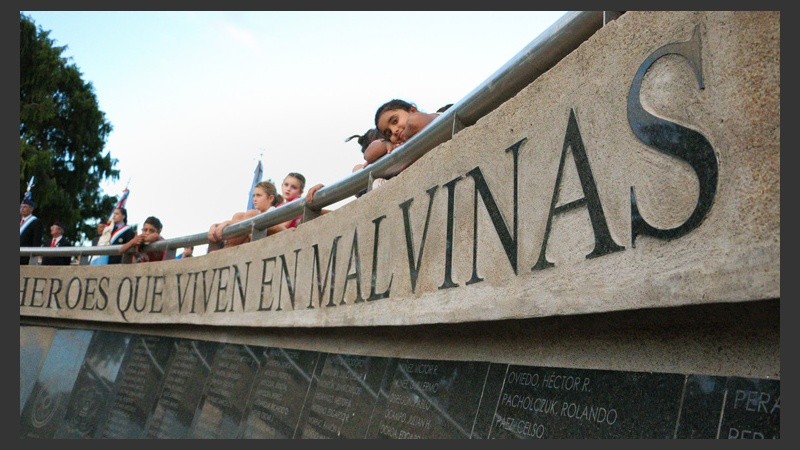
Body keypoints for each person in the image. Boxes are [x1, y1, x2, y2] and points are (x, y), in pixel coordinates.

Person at [208, 180, 287, 251]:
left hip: (267, 247)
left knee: (251, 214)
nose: (255, 199)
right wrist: (216, 225)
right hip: (249, 246)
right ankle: (226, 248)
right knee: (238, 215)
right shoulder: (256, 213)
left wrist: (227, 223)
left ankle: (226, 250)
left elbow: (281, 229)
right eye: (254, 195)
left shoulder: (274, 212)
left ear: (270, 198)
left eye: (258, 195)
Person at [20, 197, 44, 265]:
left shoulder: (36, 222)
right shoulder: (20, 221)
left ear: (31, 209)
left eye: (25, 207)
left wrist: (33, 258)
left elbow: (36, 242)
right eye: (21, 206)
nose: (22, 208)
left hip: (24, 258)